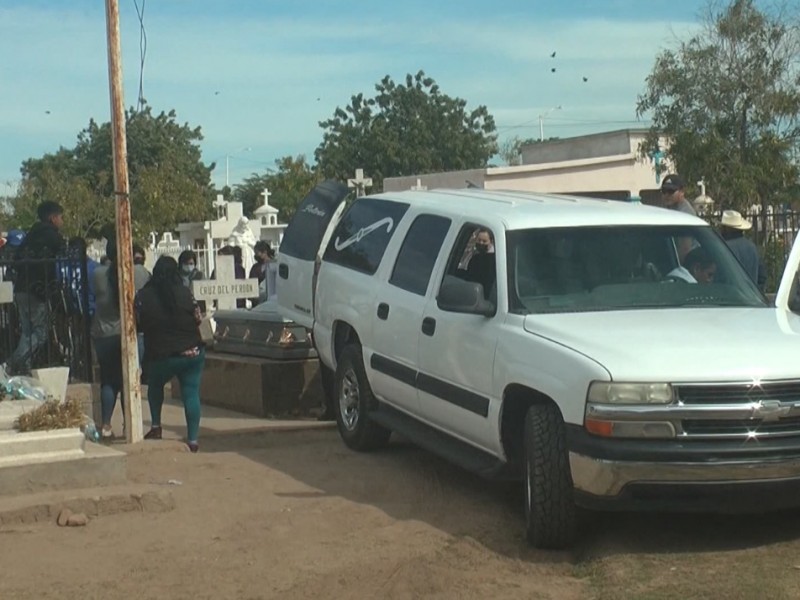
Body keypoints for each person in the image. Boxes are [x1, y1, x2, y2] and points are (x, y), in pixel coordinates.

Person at [136, 256, 205, 452]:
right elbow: (198, 318)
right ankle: (192, 439)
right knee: (191, 393)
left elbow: (138, 323)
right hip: (192, 352)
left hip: (161, 355)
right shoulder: (185, 293)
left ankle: (156, 426)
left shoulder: (143, 296)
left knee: (155, 386)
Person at [7, 201, 65, 375]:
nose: (62, 221)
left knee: (27, 332)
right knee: (40, 333)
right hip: (36, 290)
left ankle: (24, 368)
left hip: (21, 289)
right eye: (60, 217)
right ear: (52, 218)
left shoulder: (31, 234)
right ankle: (12, 363)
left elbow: (17, 259)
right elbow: (63, 255)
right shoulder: (52, 236)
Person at [91, 241, 124, 439]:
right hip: (124, 334)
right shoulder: (135, 273)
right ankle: (130, 425)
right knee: (128, 382)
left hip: (102, 333)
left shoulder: (97, 274)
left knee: (108, 381)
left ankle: (106, 425)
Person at [720, 210, 766, 291]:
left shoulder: (723, 248)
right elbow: (762, 277)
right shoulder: (752, 247)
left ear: (726, 228)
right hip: (750, 297)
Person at [462, 228, 496, 300]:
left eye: (484, 241)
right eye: (479, 240)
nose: (481, 243)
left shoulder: (493, 260)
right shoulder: (475, 257)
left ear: (491, 241)